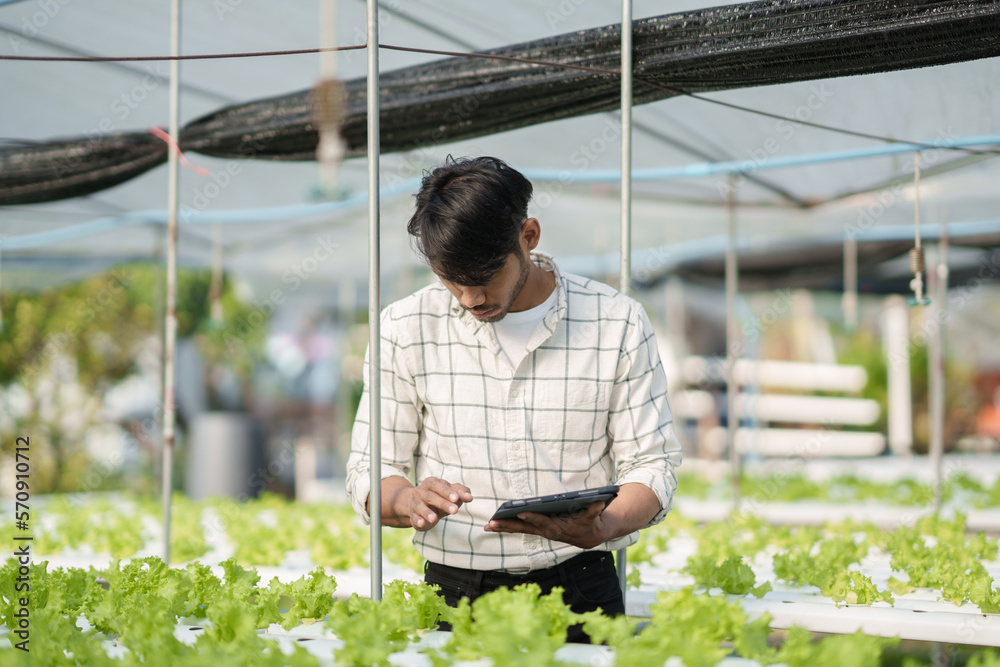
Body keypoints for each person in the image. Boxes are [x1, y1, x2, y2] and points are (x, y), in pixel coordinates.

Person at [346, 156, 681, 642]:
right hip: (455, 594)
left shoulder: (616, 322)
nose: (468, 297)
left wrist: (604, 526)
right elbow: (368, 469)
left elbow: (655, 464)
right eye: (450, 279)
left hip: (581, 588)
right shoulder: (404, 329)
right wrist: (408, 500)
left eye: (483, 276)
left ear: (529, 236)